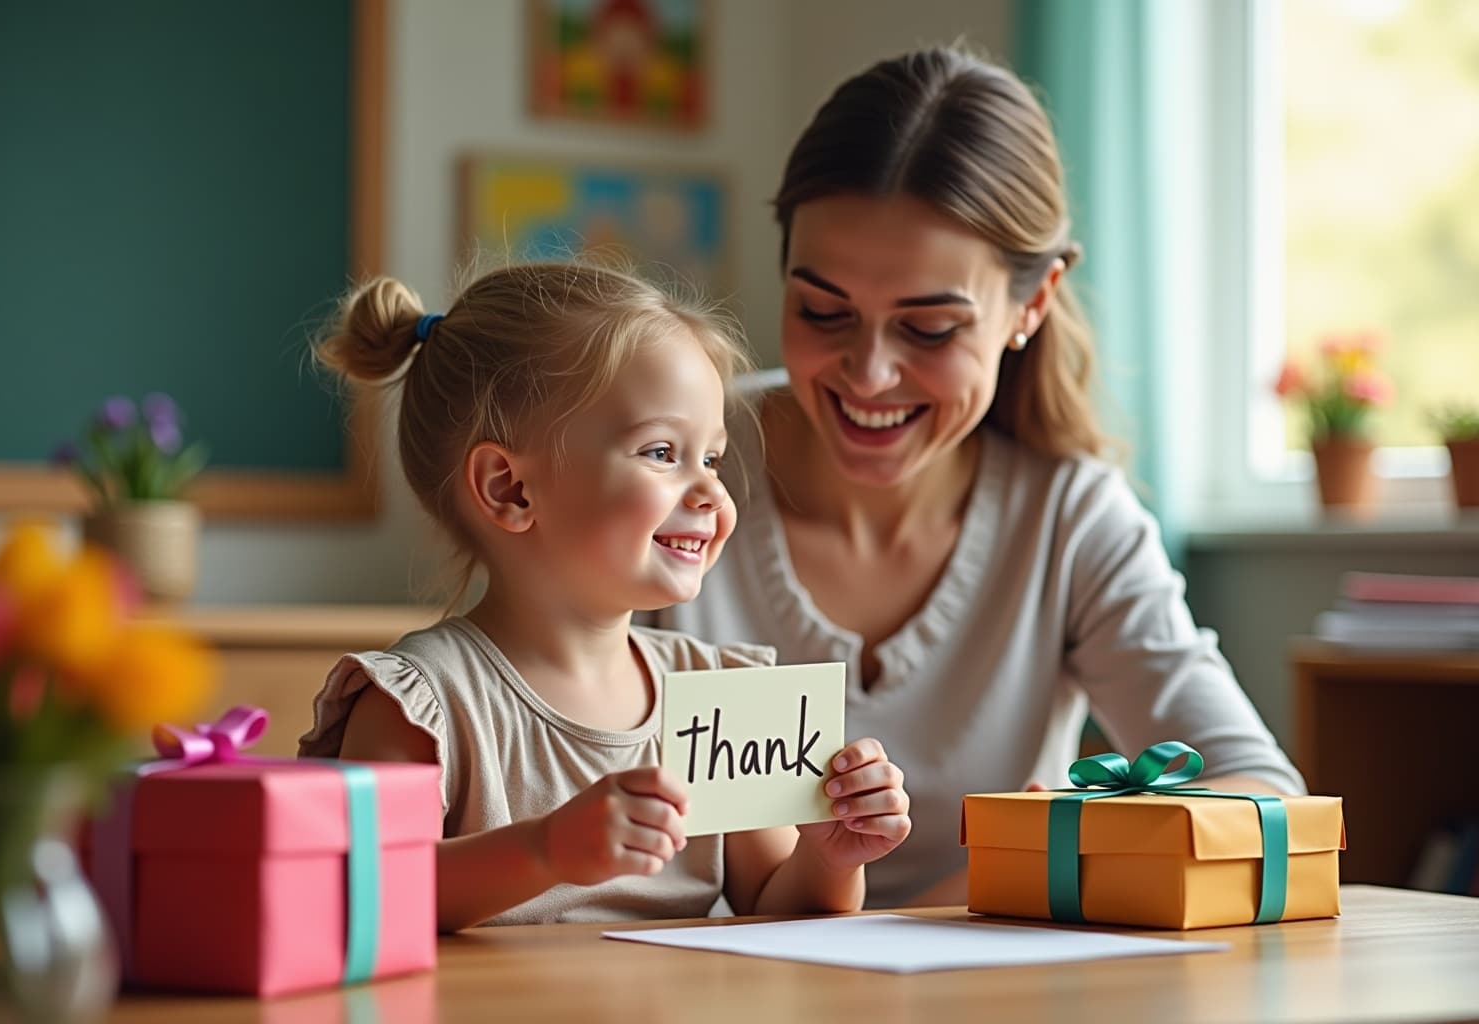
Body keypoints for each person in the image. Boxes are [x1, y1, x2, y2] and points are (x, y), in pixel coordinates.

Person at [652, 47, 1305, 909]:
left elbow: (1261, 792)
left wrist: (1028, 867)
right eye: (823, 310)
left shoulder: (1069, 516)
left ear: (1031, 304)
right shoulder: (662, 464)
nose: (868, 374)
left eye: (928, 328)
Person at [296, 262, 911, 930]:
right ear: (510, 489)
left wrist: (830, 858)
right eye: (661, 452)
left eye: (710, 458)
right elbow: (369, 894)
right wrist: (546, 850)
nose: (713, 492)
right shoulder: (421, 705)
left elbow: (777, 907)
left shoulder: (726, 693)